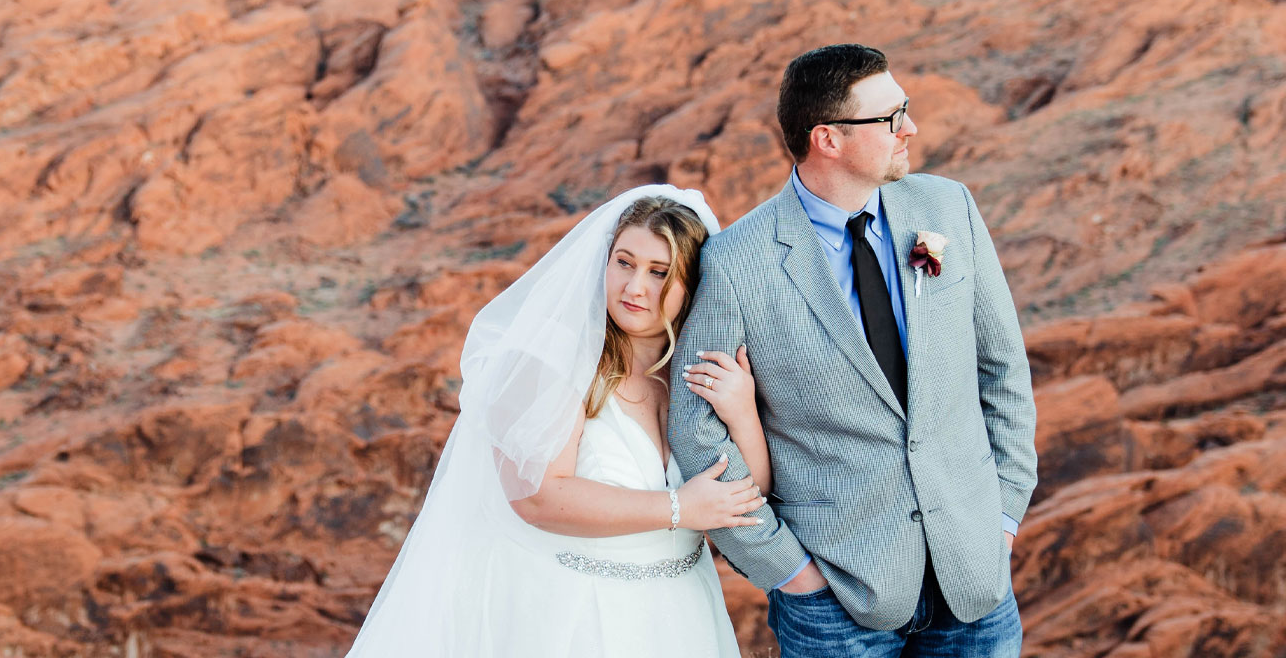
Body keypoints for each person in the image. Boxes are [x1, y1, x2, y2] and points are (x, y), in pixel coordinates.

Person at [668, 43, 1037, 657]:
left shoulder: (948, 208)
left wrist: (1003, 516)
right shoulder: (737, 263)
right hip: (837, 607)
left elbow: (1002, 369)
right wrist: (789, 571)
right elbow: (698, 431)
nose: (910, 128)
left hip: (975, 582)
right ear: (828, 140)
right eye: (891, 118)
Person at [347, 186, 763, 657]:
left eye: (659, 272)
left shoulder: (698, 371)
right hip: (572, 615)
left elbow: (748, 497)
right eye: (624, 263)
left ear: (692, 283)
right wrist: (679, 509)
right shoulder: (554, 360)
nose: (634, 287)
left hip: (683, 618)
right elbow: (535, 496)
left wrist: (742, 412)